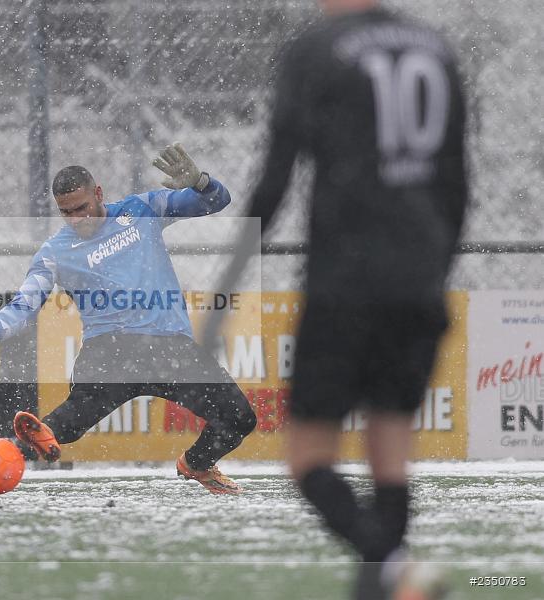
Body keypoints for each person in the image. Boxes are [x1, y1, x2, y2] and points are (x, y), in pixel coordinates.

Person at [210, 0, 468, 597]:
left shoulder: (315, 49)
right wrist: (432, 271)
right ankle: (388, 581)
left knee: (308, 460)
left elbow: (274, 178)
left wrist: (228, 283)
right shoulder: (438, 50)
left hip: (344, 282)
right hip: (417, 279)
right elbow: (458, 184)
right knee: (390, 456)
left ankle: (396, 568)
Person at [0, 143, 257, 494]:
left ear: (98, 193)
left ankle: (197, 463)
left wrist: (200, 183)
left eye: (82, 207)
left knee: (239, 419)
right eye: (67, 212)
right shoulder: (55, 251)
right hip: (111, 351)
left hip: (168, 346)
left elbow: (217, 202)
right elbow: (26, 302)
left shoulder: (141, 209)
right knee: (74, 419)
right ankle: (12, 451)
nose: (77, 218)